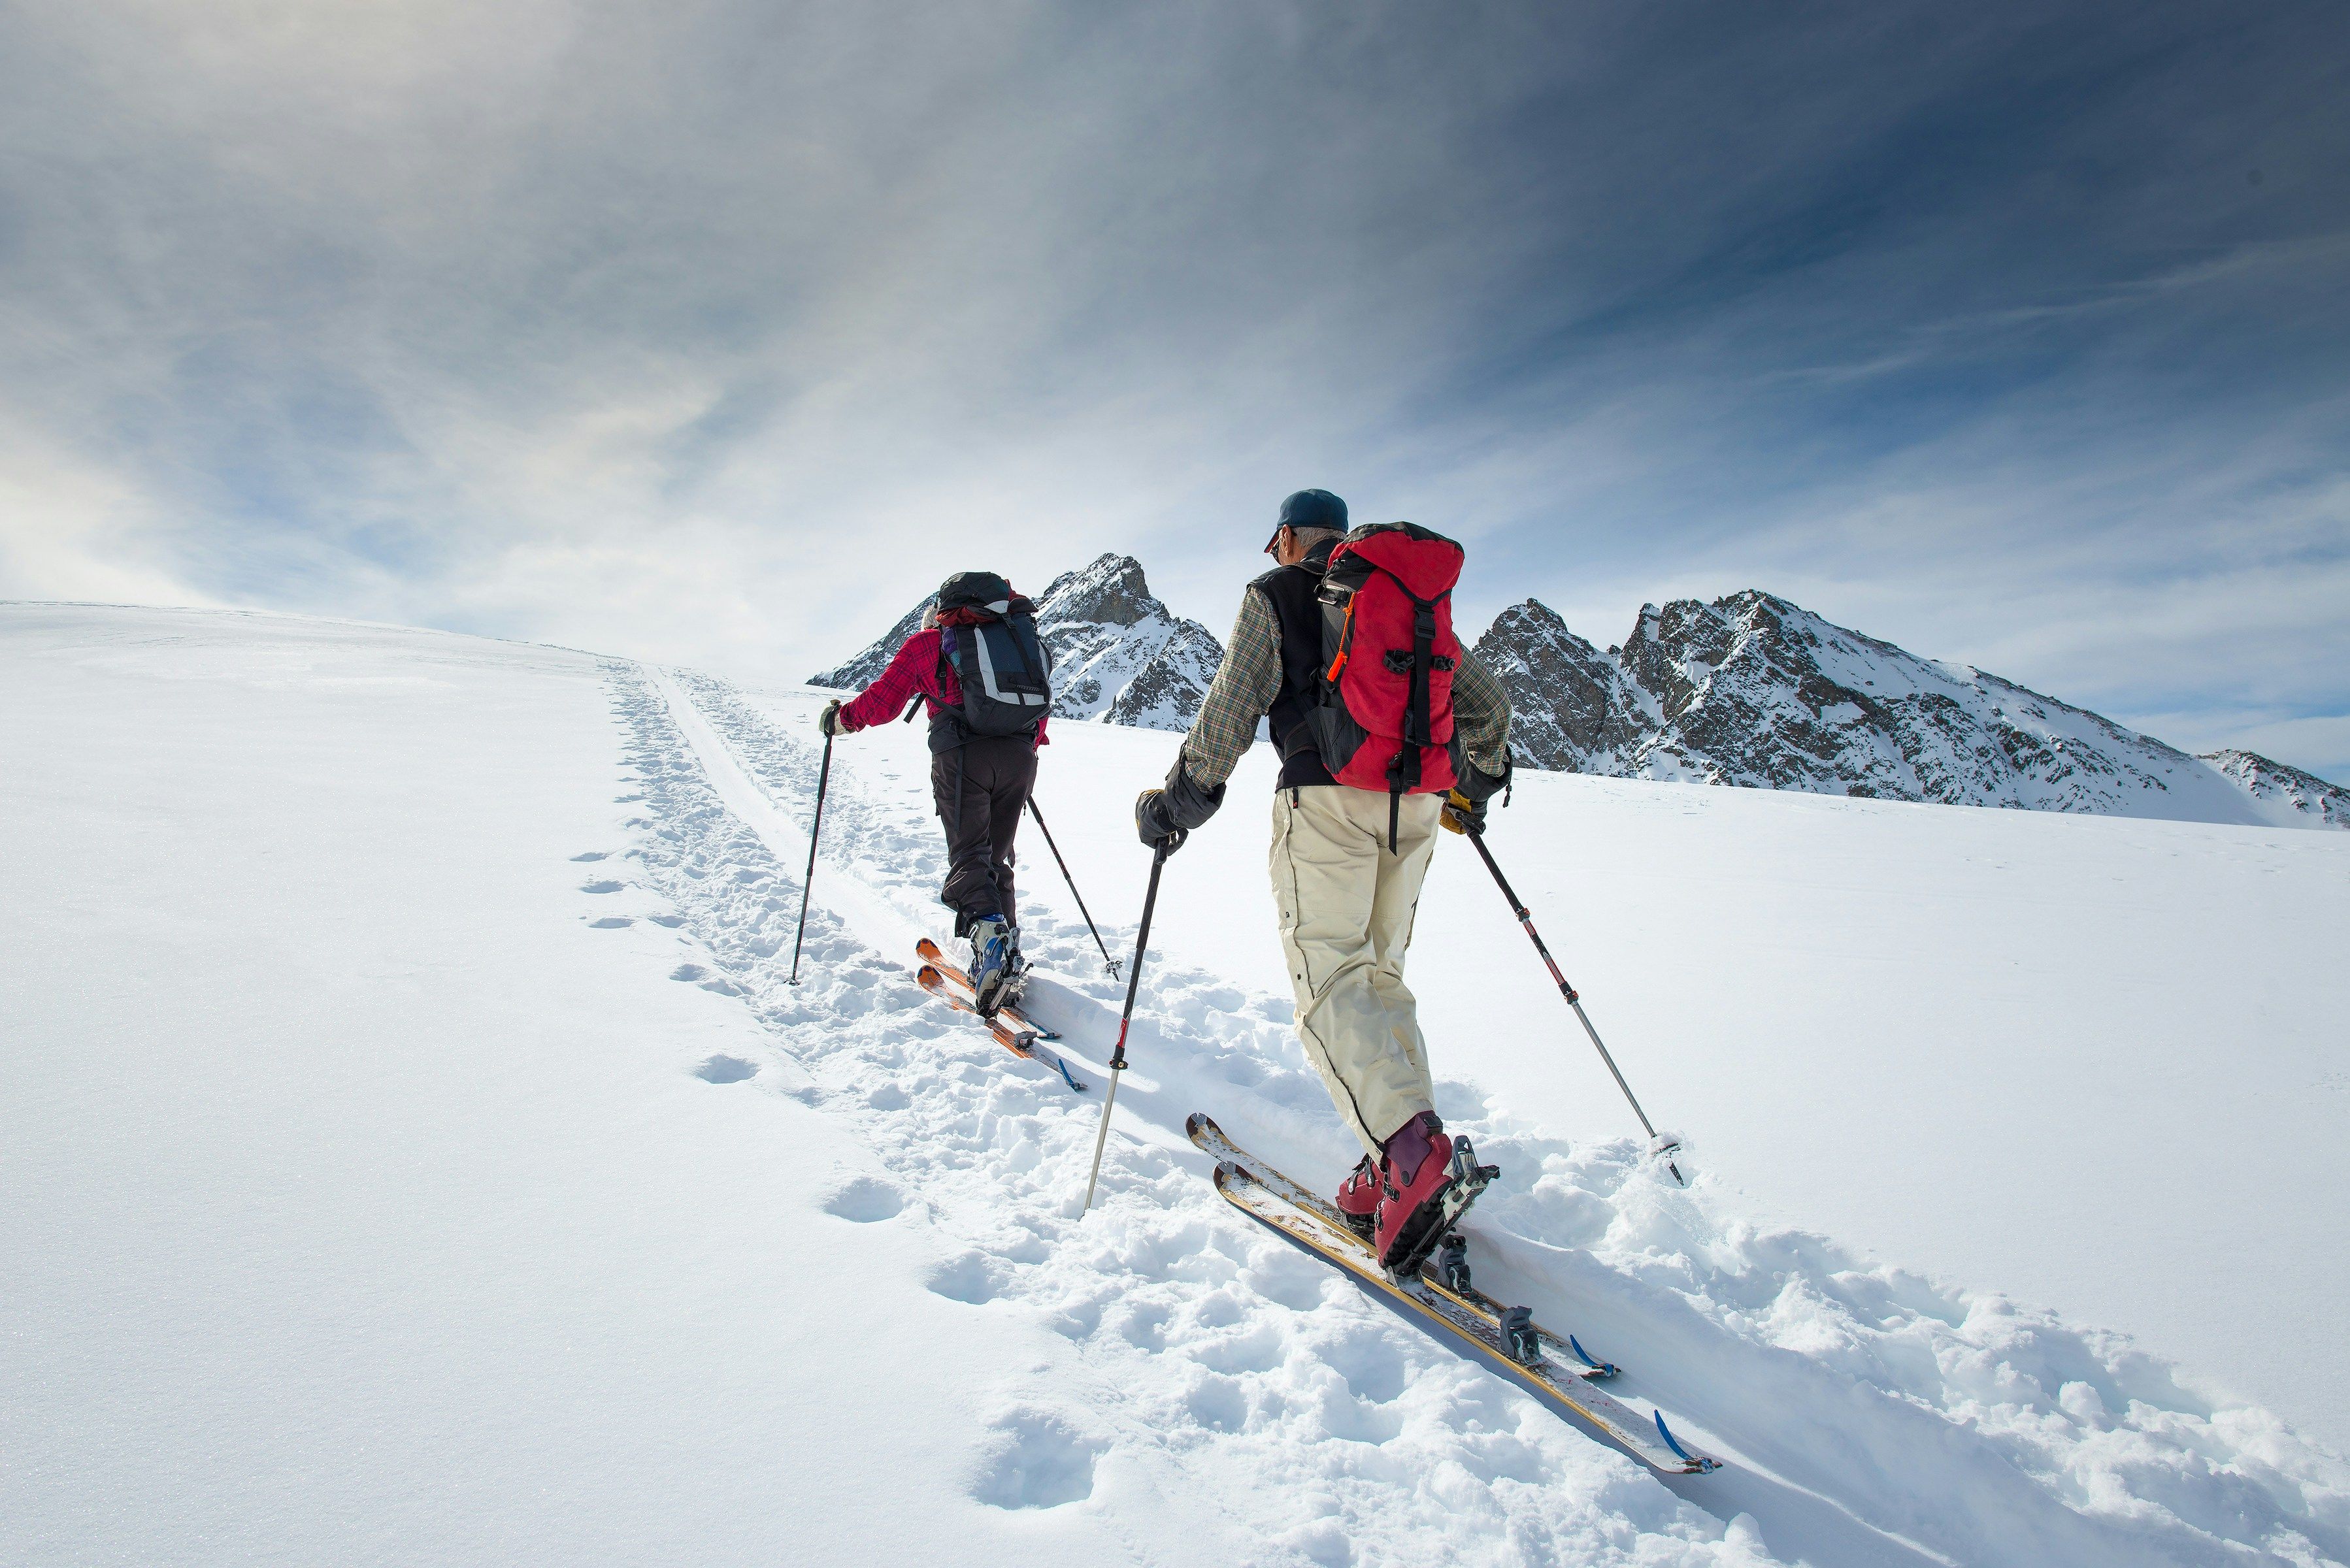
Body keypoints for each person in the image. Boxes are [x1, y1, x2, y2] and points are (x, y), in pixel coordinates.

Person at [1134, 489, 1513, 1273]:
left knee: (1329, 983)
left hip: (1324, 800)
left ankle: (1408, 1155)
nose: (1272, 552)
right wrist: (1470, 789)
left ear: (1288, 537)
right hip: (1411, 809)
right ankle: (1400, 1160)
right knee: (1377, 977)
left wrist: (1176, 802)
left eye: (1274, 539)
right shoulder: (1402, 596)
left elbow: (1228, 714)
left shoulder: (1276, 593)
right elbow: (1488, 705)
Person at [822, 571, 1053, 1013]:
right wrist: (1019, 750)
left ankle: (994, 953)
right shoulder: (1021, 645)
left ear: (943, 613)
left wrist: (841, 720)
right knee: (997, 857)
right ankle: (1008, 951)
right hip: (1020, 760)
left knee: (970, 856)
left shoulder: (929, 644)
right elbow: (1040, 706)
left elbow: (883, 701)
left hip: (963, 759)